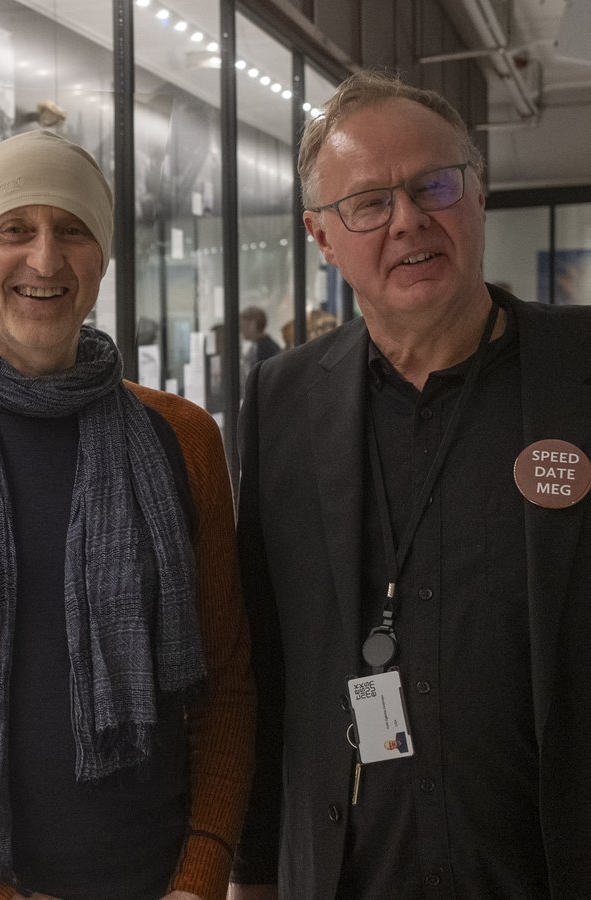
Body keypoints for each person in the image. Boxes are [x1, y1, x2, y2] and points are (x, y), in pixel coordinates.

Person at [0, 130, 255, 900]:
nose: (44, 260)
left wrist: (201, 876)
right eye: (13, 231)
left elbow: (225, 686)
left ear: (101, 258)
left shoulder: (182, 439)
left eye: (72, 229)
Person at [229, 70, 591, 900]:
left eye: (434, 184)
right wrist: (252, 874)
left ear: (477, 191)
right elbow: (267, 657)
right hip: (352, 869)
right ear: (322, 237)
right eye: (369, 202)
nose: (409, 221)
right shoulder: (281, 400)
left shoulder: (579, 372)